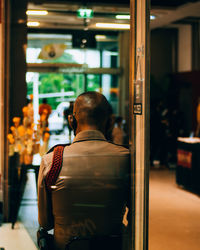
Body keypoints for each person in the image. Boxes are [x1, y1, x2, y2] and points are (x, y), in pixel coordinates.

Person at [37, 91, 130, 250]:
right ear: (109, 122)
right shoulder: (126, 158)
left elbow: (46, 223)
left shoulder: (52, 161)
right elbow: (138, 214)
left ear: (71, 121)